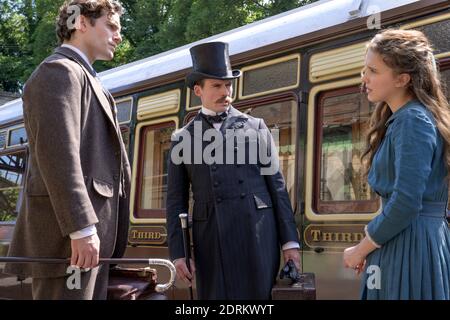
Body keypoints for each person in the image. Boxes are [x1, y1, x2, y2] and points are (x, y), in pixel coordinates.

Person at [5, 0, 131, 300]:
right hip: (68, 246)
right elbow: (58, 156)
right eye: (111, 26)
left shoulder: (85, 77)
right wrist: (82, 229)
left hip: (81, 247)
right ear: (82, 24)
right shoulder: (58, 71)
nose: (119, 35)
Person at [166, 41, 300, 300]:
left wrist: (290, 243)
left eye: (228, 85)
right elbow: (175, 201)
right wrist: (179, 252)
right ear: (198, 90)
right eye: (216, 85)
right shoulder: (181, 138)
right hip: (211, 241)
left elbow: (278, 188)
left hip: (257, 235)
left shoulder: (257, 126)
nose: (225, 91)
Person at [343, 29, 450, 300]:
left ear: (402, 79)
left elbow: (405, 203)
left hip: (409, 245)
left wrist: (361, 249)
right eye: (364, 70)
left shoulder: (411, 120)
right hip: (411, 242)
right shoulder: (410, 118)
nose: (364, 78)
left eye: (373, 71)